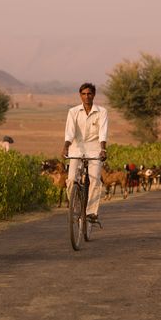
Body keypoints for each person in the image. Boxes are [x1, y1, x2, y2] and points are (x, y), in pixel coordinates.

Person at [62, 82, 108, 223]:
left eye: (89, 94)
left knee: (94, 179)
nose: (86, 96)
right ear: (80, 95)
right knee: (71, 180)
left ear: (93, 95)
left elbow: (103, 132)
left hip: (95, 149)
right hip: (76, 148)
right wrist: (65, 146)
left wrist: (103, 149)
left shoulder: (102, 111)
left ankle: (91, 212)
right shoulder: (73, 112)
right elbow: (70, 132)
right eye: (84, 94)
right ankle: (75, 208)